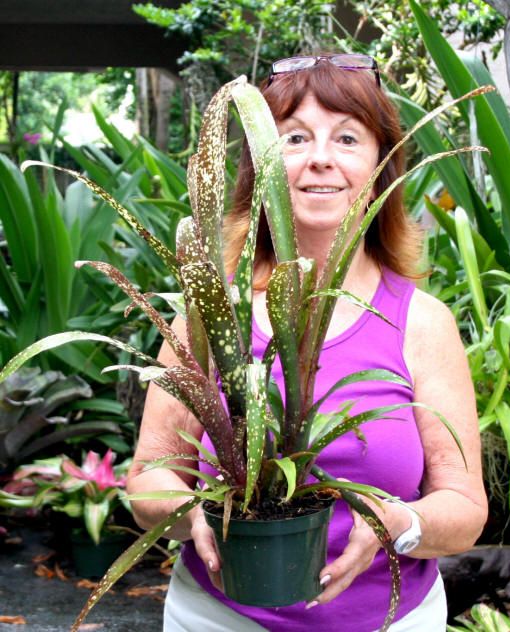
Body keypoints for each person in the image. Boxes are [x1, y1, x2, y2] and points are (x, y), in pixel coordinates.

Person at [126, 54, 488, 631]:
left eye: (348, 137)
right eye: (294, 138)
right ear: (260, 167)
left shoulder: (423, 323)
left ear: (382, 164)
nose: (321, 158)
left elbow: (465, 509)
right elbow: (148, 475)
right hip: (220, 618)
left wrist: (393, 522)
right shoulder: (213, 314)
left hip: (393, 621)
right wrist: (188, 512)